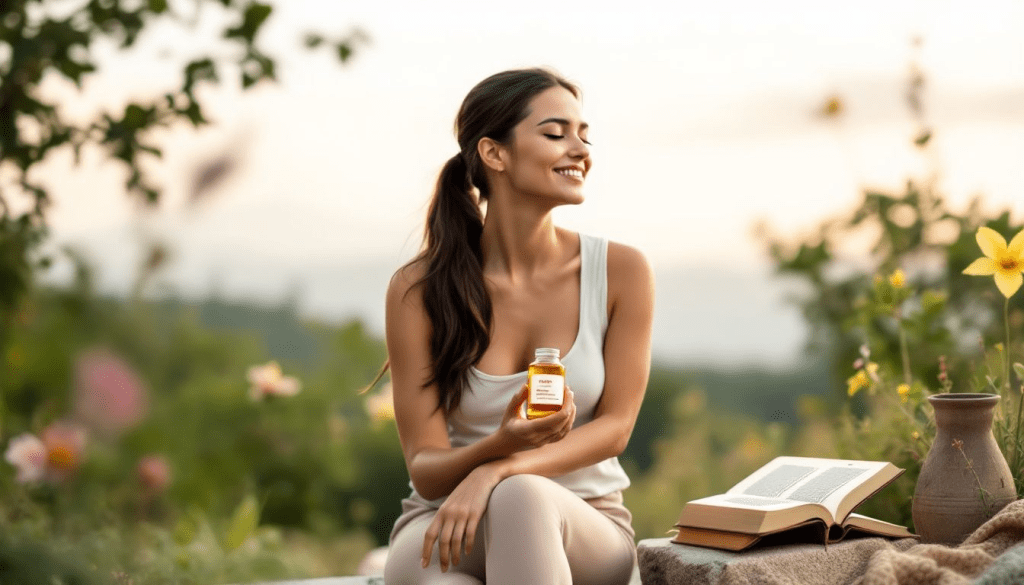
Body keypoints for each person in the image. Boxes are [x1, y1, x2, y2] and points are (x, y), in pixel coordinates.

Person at [381, 68, 654, 585]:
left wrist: (498, 470)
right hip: (445, 519)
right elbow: (425, 466)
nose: (580, 150)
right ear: (494, 154)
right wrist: (494, 446)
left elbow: (616, 429)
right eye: (556, 134)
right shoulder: (418, 290)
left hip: (583, 521)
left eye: (583, 135)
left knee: (521, 496)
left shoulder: (622, 272)